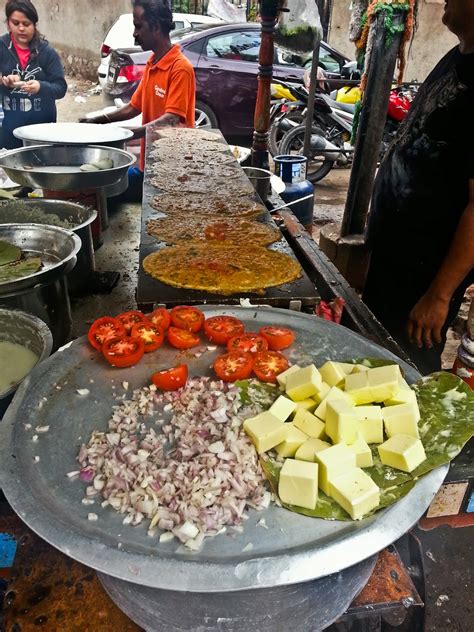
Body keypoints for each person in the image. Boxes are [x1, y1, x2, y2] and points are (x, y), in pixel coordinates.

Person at [362, 0, 474, 375]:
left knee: (404, 371)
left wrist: (439, 296)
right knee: (371, 352)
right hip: (395, 255)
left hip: (424, 276)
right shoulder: (458, 56)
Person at [83, 0, 195, 196]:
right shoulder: (153, 63)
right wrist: (97, 121)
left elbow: (171, 119)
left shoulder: (180, 68)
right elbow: (133, 107)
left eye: (138, 26)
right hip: (149, 163)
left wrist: (126, 135)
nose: (134, 33)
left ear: (157, 28)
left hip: (171, 168)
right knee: (101, 189)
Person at [0, 0, 67, 149]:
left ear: (34, 25)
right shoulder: (2, 48)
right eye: (16, 23)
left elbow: (61, 88)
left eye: (26, 23)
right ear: (8, 24)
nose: (21, 28)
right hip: (8, 133)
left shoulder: (46, 52)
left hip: (42, 134)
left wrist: (40, 87)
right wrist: (3, 80)